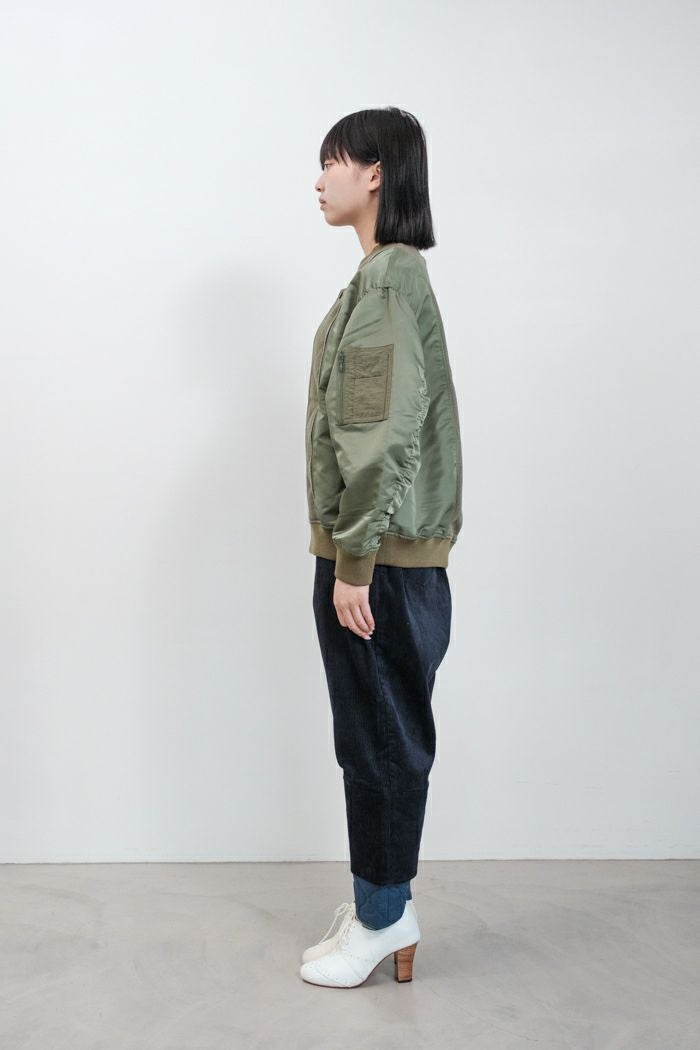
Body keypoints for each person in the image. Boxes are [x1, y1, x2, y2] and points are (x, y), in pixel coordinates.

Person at [301, 106, 463, 988]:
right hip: (377, 557)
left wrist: (353, 562)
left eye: (331, 161)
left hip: (379, 564)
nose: (318, 180)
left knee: (380, 744)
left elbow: (379, 432)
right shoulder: (381, 279)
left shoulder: (390, 282)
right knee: (372, 737)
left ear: (375, 173)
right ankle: (378, 898)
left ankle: (384, 915)